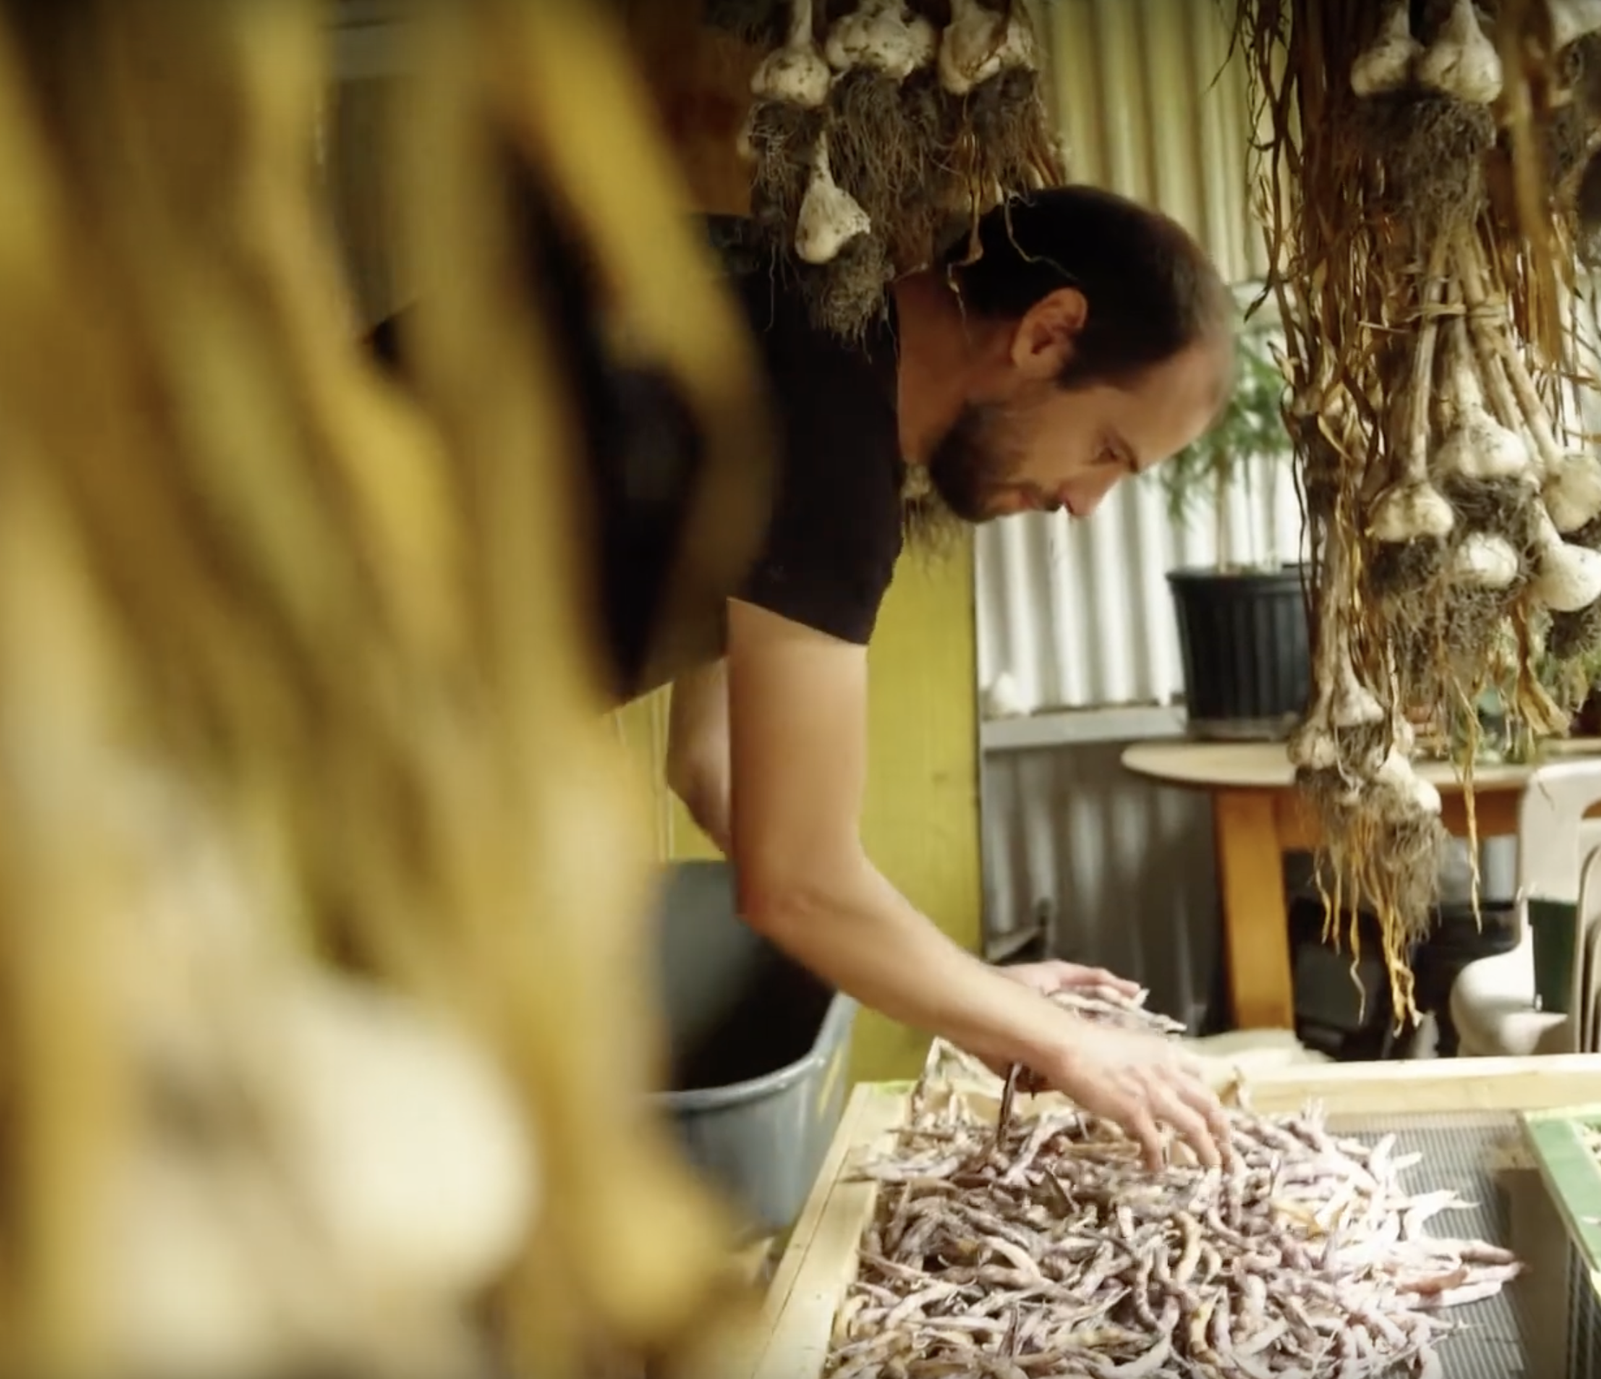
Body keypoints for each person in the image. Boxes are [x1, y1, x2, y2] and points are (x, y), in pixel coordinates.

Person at [369, 184, 1238, 1171]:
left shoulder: (796, 327)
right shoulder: (829, 434)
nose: (1084, 503)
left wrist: (978, 998)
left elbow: (711, 765)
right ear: (1047, 333)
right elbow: (796, 882)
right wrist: (1061, 1040)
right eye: (1106, 449)